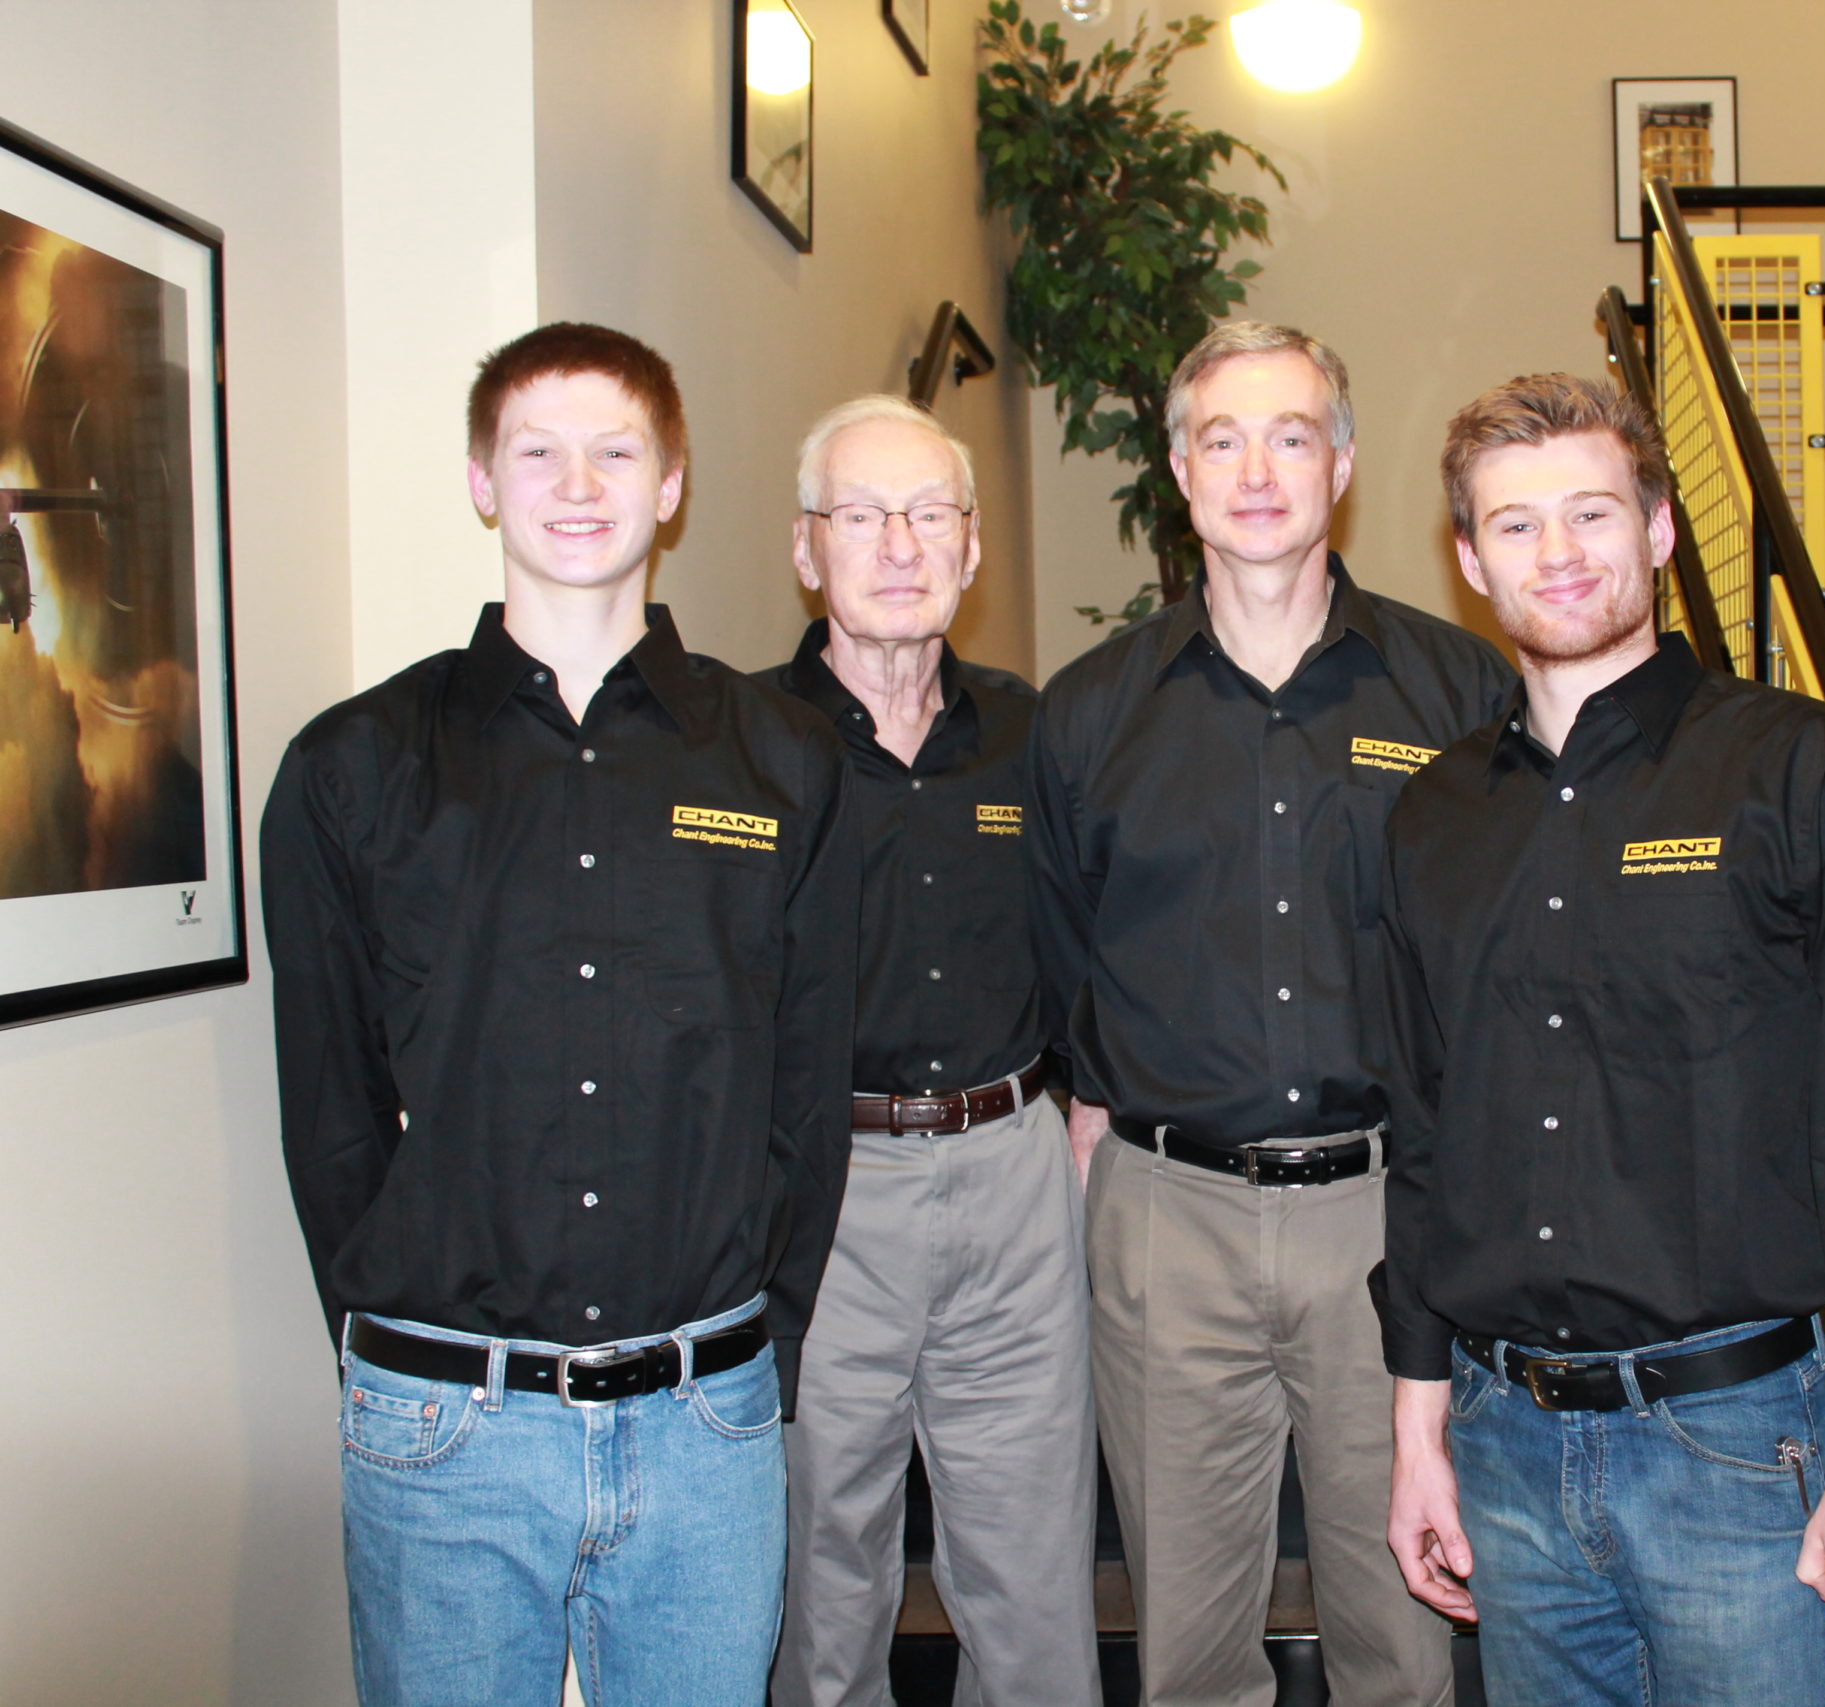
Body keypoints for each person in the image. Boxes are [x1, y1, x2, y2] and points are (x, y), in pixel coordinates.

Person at [262, 323, 862, 1706]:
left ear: (671, 486)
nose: (576, 484)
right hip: (443, 1431)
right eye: (537, 451)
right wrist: (386, 1339)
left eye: (615, 451)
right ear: (483, 481)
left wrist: (762, 1345)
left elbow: (804, 1086)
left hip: (708, 1422)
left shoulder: (782, 763)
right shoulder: (353, 767)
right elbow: (329, 1106)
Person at [1375, 373, 1825, 1706]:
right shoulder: (1430, 820)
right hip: (1507, 1451)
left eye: (1593, 512)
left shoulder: (1808, 773)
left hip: (1739, 1449)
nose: (1562, 551)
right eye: (1518, 526)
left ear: (1656, 529)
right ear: (1470, 562)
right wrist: (1421, 1431)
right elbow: (1424, 1138)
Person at [1026, 321, 1515, 1707]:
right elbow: (1066, 963)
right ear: (1180, 471)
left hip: (1391, 1214)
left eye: (1292, 434)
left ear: (1343, 465)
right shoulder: (1089, 716)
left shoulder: (1456, 691)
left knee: (1409, 1638)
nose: (1258, 469)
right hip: (1169, 1220)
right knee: (1185, 1649)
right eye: (1223, 438)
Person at [764, 395, 1101, 1707]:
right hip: (823, 1193)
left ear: (971, 548)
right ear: (808, 548)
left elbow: (1100, 947)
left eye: (929, 515)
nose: (898, 544)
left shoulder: (1043, 740)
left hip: (1017, 1177)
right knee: (820, 1574)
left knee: (1031, 1581)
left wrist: (1087, 1123)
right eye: (862, 515)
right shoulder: (736, 749)